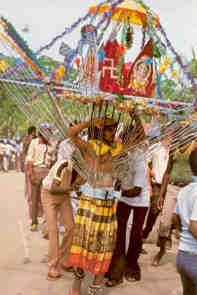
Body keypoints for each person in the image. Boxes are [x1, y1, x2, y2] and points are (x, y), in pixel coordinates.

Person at [66, 116, 127, 295]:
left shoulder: (117, 148)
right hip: (89, 205)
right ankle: (75, 289)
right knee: (83, 244)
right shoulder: (90, 146)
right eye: (107, 128)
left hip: (108, 206)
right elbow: (71, 133)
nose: (111, 132)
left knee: (105, 246)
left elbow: (140, 138)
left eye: (113, 129)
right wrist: (90, 122)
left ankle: (95, 288)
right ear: (100, 129)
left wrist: (134, 114)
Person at [105, 147, 149, 287]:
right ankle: (116, 267)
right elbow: (118, 180)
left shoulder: (139, 161)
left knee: (136, 235)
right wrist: (113, 192)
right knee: (119, 233)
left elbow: (136, 191)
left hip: (140, 201)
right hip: (124, 198)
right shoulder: (121, 157)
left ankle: (132, 266)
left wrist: (114, 194)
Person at [42, 157, 84, 280]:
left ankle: (64, 260)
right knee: (53, 230)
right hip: (49, 194)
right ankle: (53, 266)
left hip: (64, 196)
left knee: (71, 227)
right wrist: (72, 188)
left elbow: (79, 190)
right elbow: (54, 189)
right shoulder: (64, 165)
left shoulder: (83, 171)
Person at [173, 147, 197, 295]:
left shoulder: (185, 190)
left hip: (182, 255)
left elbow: (175, 217)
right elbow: (194, 226)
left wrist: (180, 232)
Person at [26, 124, 55, 231]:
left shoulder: (51, 144)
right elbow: (30, 157)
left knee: (46, 199)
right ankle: (34, 222)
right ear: (41, 132)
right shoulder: (34, 142)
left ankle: (47, 223)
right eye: (46, 131)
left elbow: (53, 160)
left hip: (47, 172)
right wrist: (30, 172)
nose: (48, 134)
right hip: (36, 170)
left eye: (49, 132)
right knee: (35, 198)